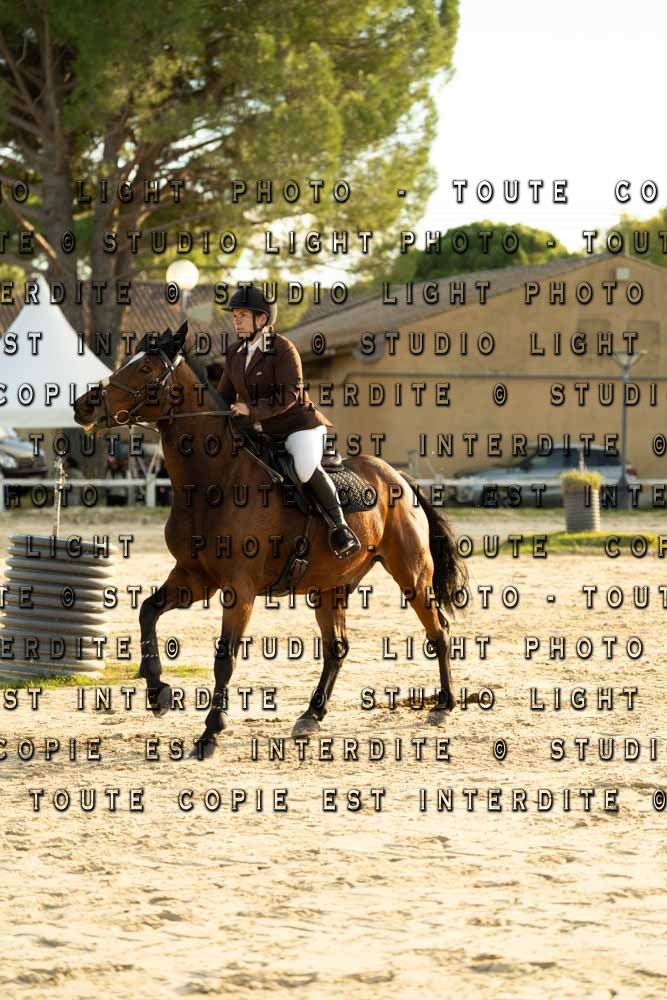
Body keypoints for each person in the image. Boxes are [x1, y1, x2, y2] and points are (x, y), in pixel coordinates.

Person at [218, 286, 361, 559]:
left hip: (298, 426)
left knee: (304, 468)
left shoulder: (283, 348)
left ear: (262, 319)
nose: (236, 321)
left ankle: (340, 528)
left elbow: (290, 394)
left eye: (242, 315)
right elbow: (222, 396)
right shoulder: (235, 352)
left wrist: (250, 409)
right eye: (235, 316)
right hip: (261, 430)